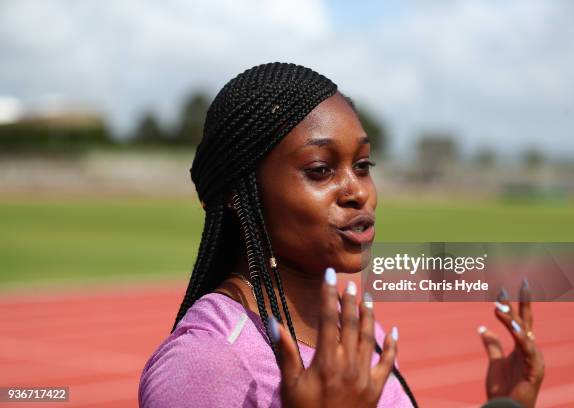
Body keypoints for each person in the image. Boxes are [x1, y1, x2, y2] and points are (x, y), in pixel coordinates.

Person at [138, 62, 544, 407]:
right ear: (237, 193)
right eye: (320, 170)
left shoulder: (356, 333)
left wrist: (504, 404)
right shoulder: (208, 361)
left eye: (364, 165)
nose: (358, 191)